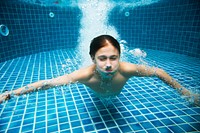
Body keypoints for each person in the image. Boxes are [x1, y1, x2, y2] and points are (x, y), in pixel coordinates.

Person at [0, 35, 199, 105]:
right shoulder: (84, 75)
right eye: (102, 59)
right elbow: (48, 83)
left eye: (114, 58)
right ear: (93, 59)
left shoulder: (127, 69)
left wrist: (185, 92)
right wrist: (10, 93)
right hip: (96, 95)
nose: (108, 65)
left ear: (120, 57)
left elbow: (158, 72)